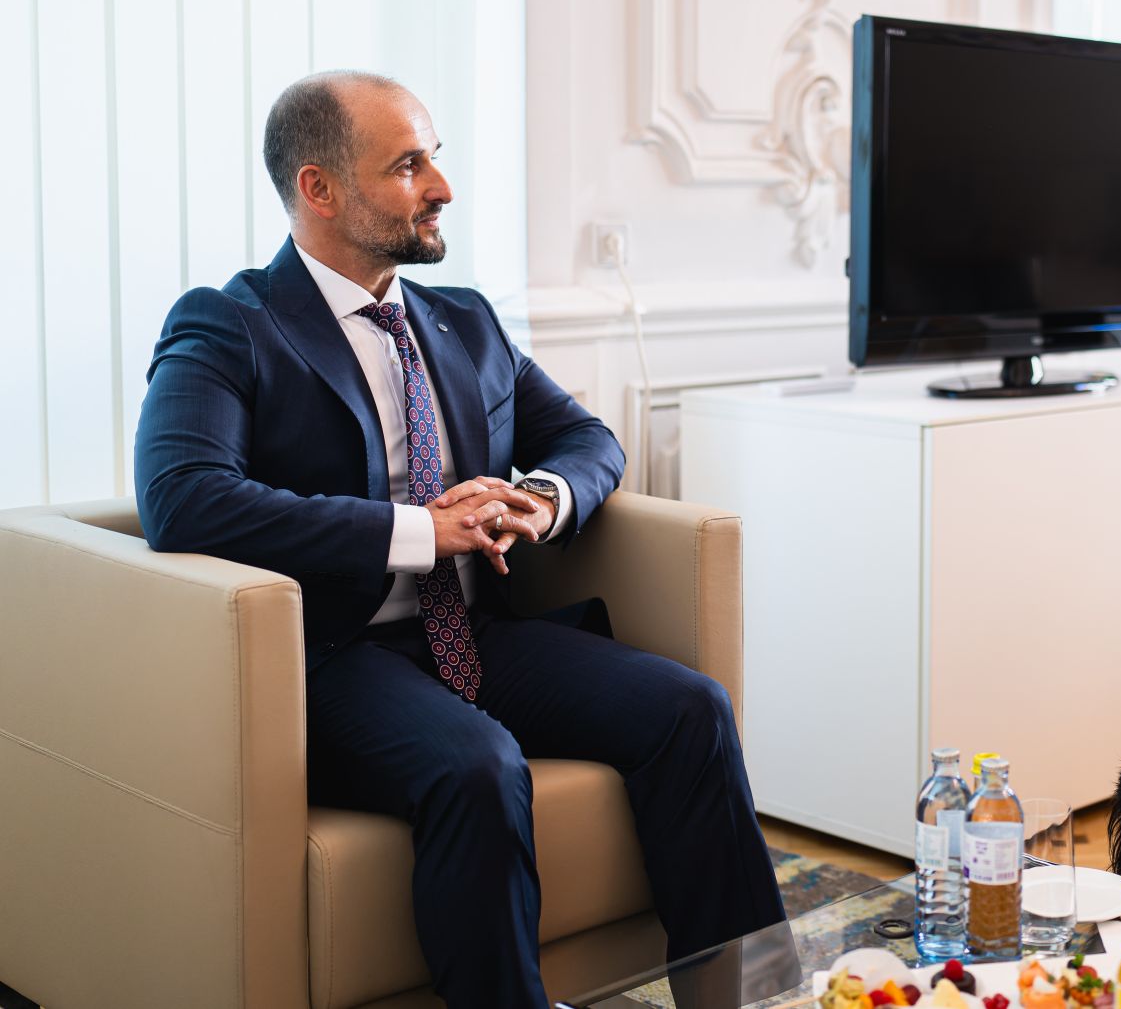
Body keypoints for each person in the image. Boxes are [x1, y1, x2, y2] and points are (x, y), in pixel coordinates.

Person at [134, 70, 786, 1008]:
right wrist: (419, 531)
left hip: (477, 633)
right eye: (408, 166)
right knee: (478, 765)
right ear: (320, 188)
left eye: (435, 158)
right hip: (331, 657)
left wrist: (540, 500)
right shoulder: (230, 323)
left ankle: (747, 996)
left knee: (692, 708)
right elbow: (184, 499)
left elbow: (587, 439)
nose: (441, 186)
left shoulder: (465, 321)